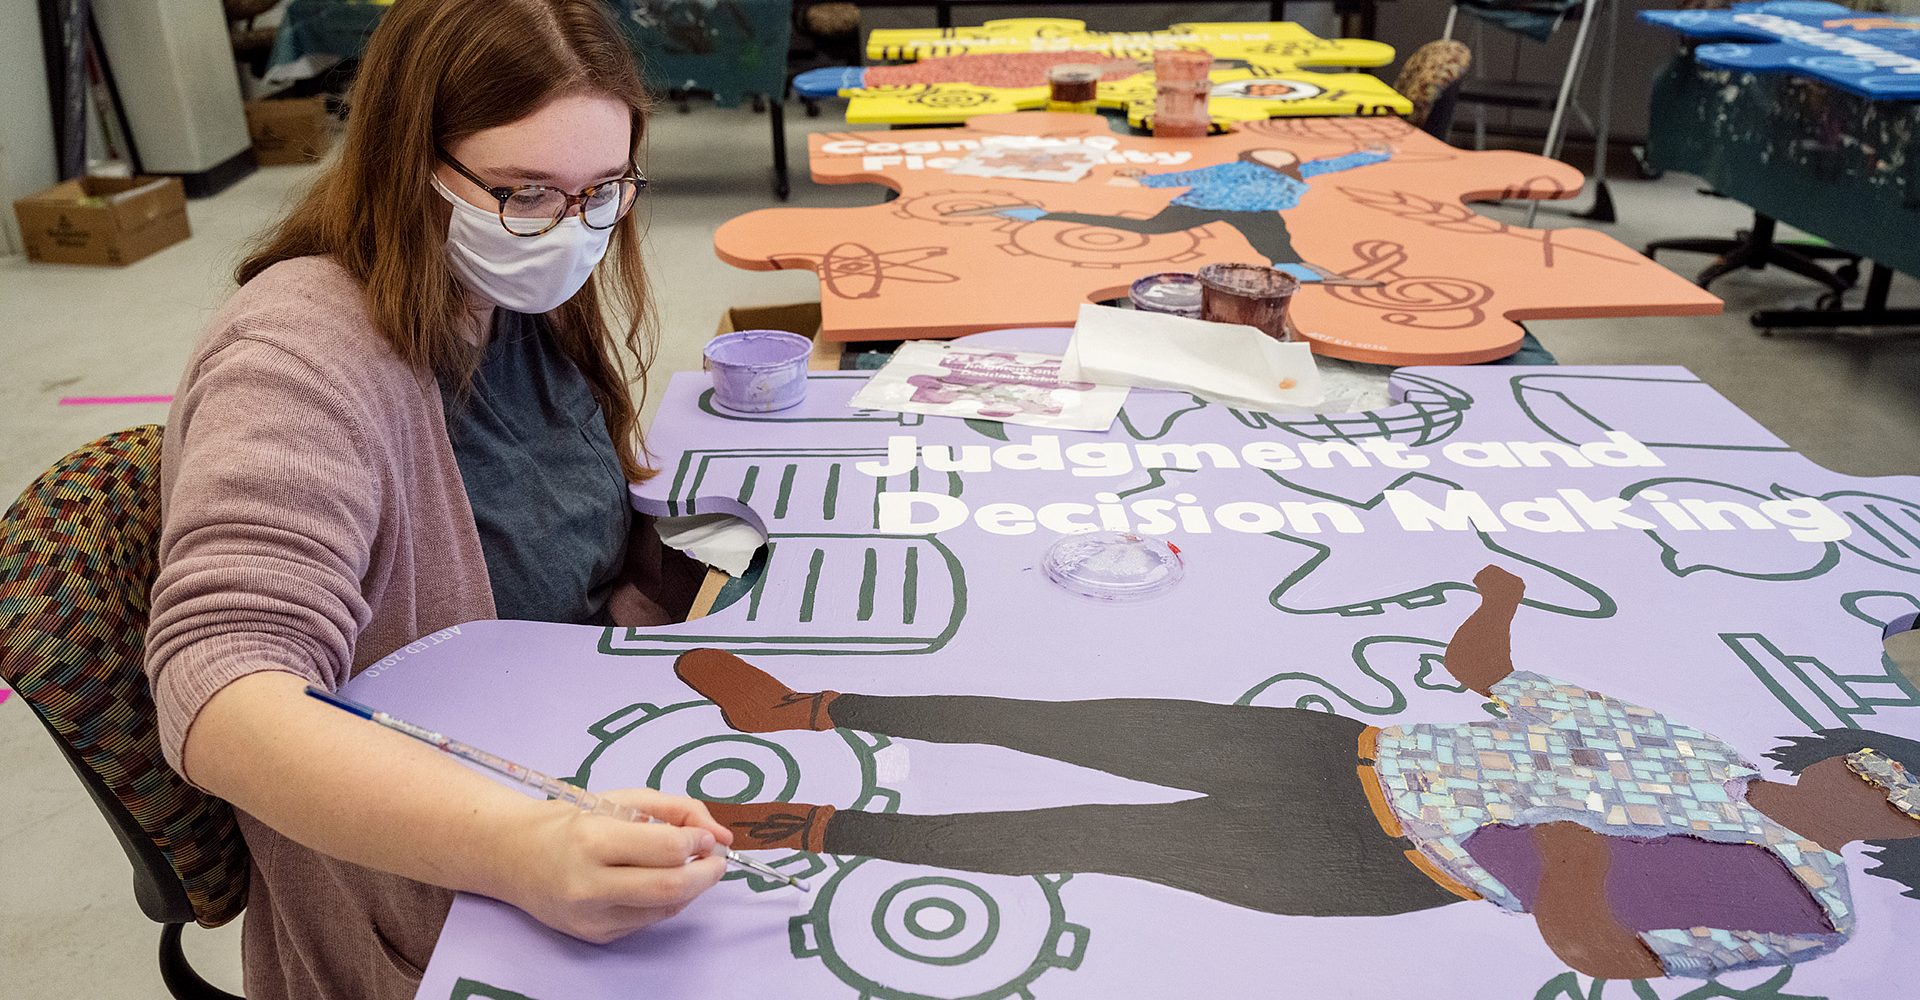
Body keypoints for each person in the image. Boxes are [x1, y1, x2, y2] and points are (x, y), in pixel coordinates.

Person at [144, 2, 734, 997]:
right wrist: (522, 847)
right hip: (435, 875)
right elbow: (220, 689)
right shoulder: (295, 360)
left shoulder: (515, 295)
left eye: (603, 190)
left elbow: (573, 505)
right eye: (525, 191)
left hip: (572, 729)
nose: (570, 229)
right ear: (408, 159)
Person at [679, 565, 1920, 981]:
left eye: (1898, 797)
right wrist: (1498, 597)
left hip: (1370, 860)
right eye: (1876, 765)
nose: (1871, 786)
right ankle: (807, 707)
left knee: (1070, 835)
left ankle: (804, 828)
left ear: (1899, 834)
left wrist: (1572, 852)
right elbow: (1490, 675)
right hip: (1341, 750)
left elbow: (1597, 952)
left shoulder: (1807, 902)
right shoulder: (1697, 749)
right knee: (1067, 721)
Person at [985, 146, 1391, 283]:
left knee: (1276, 241)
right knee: (1148, 228)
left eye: (1282, 159)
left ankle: (1298, 270)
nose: (1278, 161)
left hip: (1257, 211)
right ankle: (1039, 215)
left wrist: (1376, 154)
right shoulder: (1230, 169)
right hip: (1199, 205)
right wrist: (1146, 180)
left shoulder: (1297, 171)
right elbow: (1188, 176)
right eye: (1268, 157)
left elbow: (1333, 163)